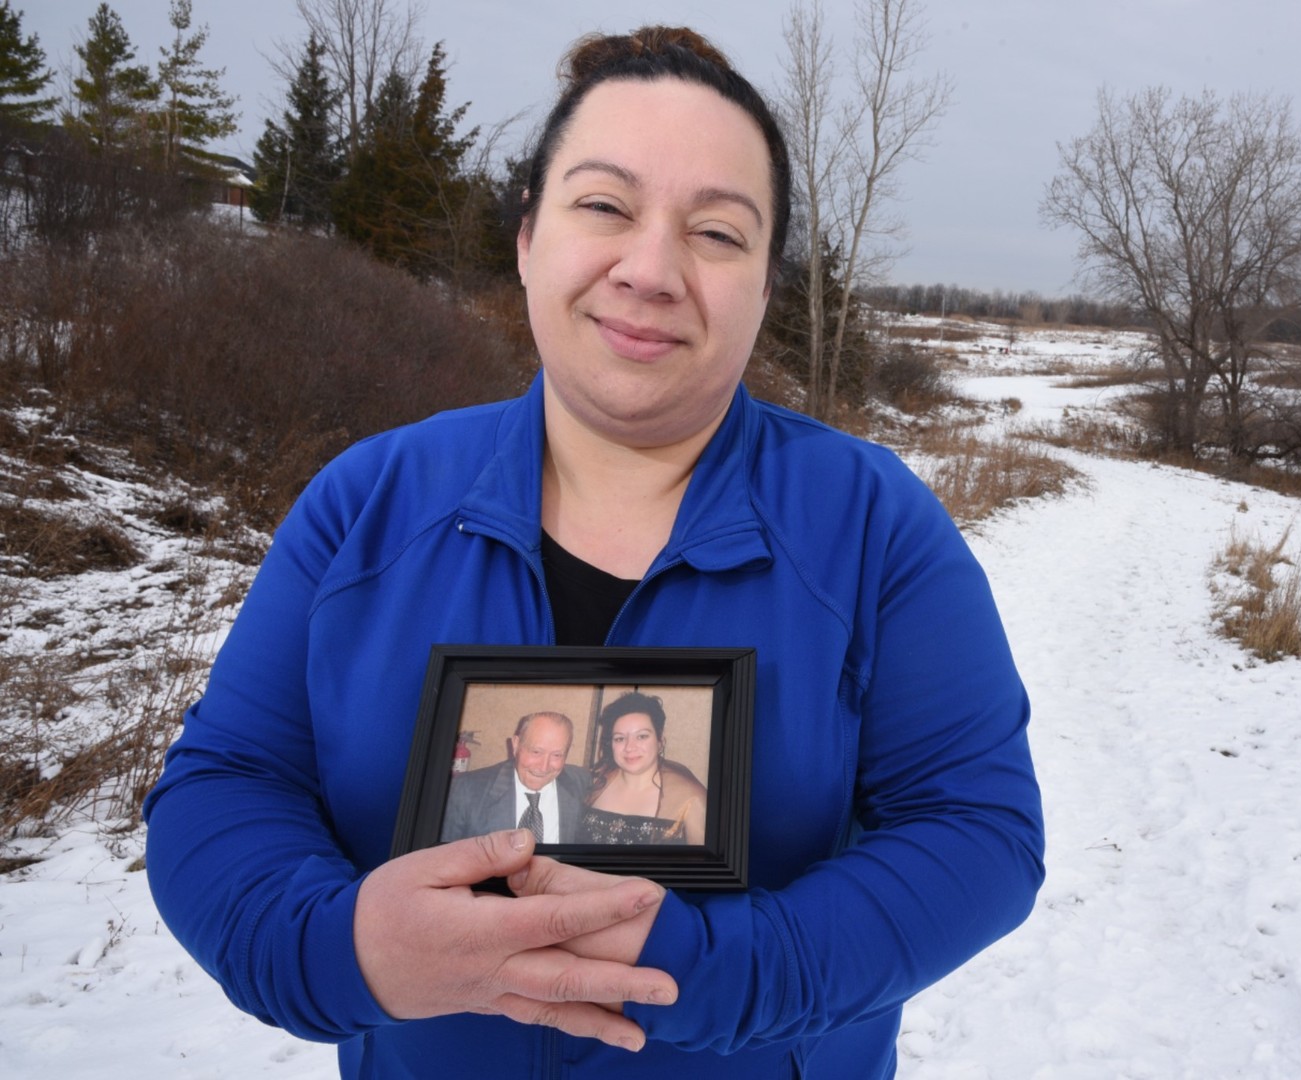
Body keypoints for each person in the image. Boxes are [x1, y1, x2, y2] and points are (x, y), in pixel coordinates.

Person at [142, 25, 1042, 1079]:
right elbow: (226, 785)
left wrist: (717, 970)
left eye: (715, 232)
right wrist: (339, 952)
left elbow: (977, 833)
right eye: (605, 206)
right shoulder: (368, 502)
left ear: (763, 286)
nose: (650, 269)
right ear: (527, 236)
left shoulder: (871, 525)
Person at [441, 711, 597, 844]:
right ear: (516, 745)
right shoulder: (466, 789)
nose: (543, 767)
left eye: (557, 755)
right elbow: (444, 858)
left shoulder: (581, 782)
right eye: (536, 752)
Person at [580, 692, 707, 845]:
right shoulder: (594, 783)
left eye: (642, 736)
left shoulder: (691, 799)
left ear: (660, 740)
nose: (629, 747)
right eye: (620, 738)